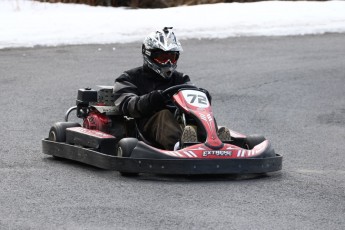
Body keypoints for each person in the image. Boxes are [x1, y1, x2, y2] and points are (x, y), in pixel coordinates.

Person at [113, 27, 229, 150]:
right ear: (149, 55)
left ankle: (214, 143)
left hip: (180, 123)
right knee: (163, 114)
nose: (168, 62)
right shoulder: (128, 78)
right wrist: (151, 100)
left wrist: (203, 98)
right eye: (162, 58)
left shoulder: (181, 79)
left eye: (172, 57)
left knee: (201, 115)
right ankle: (178, 146)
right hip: (145, 129)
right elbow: (126, 105)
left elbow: (194, 99)